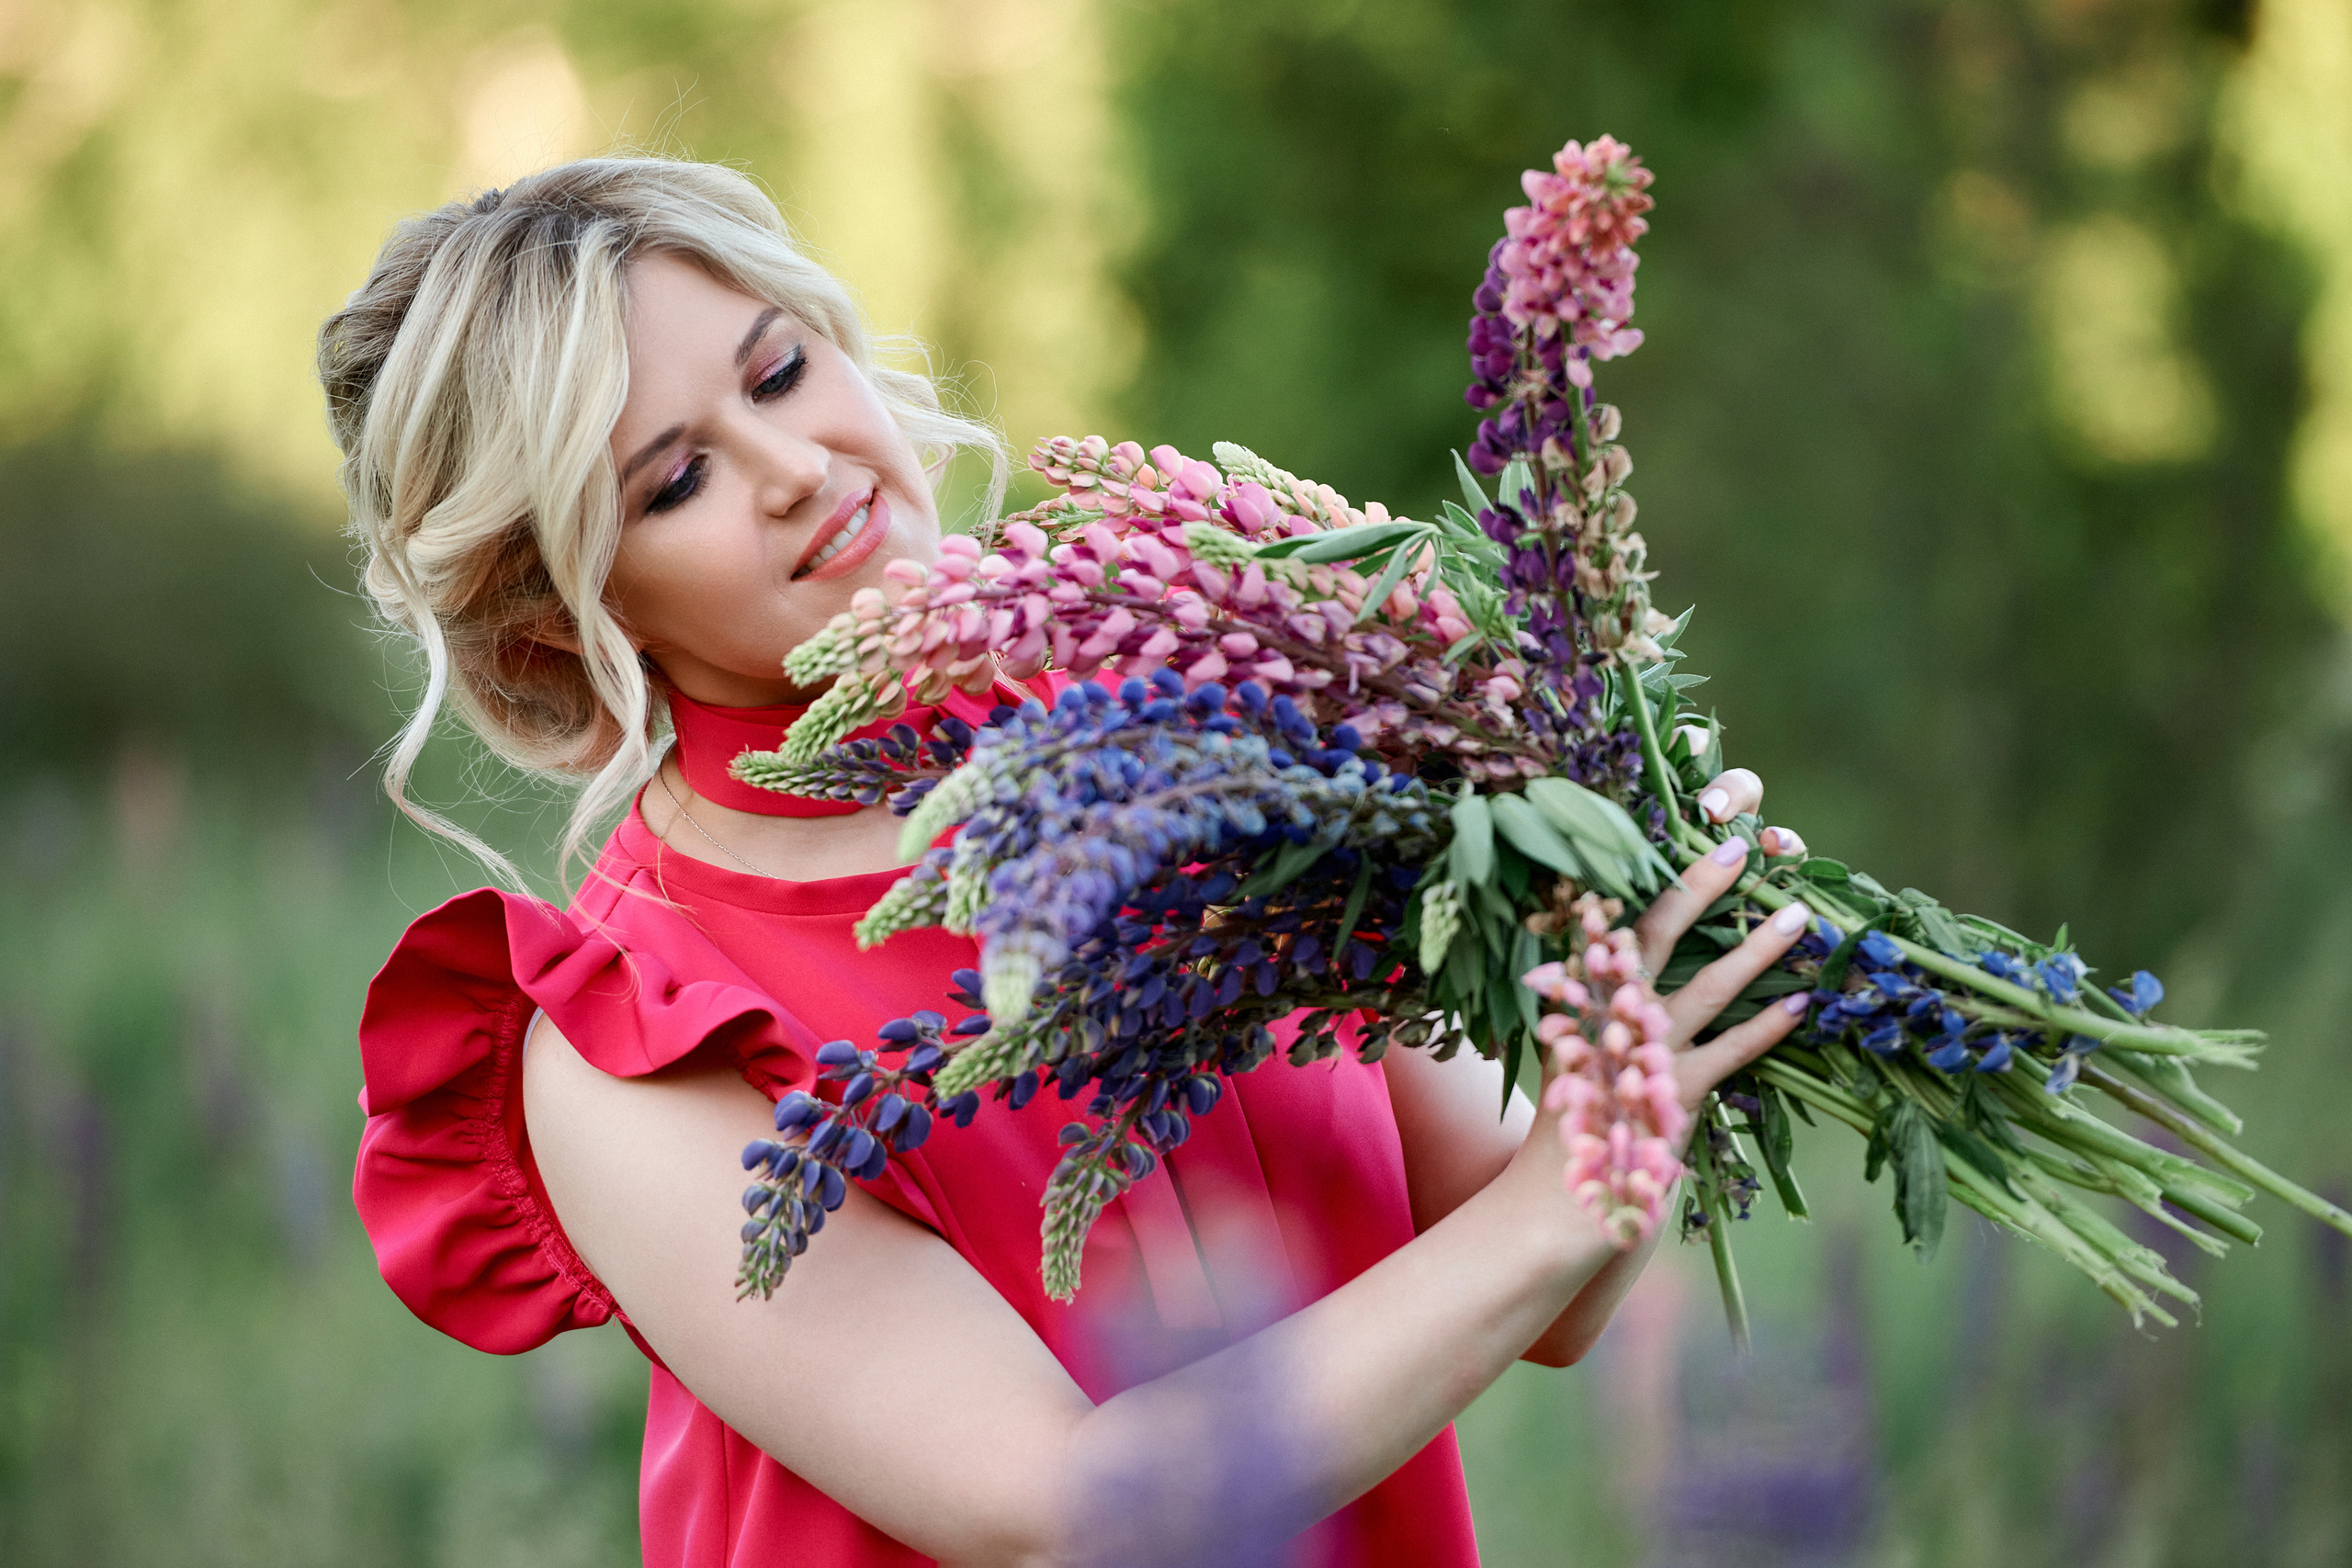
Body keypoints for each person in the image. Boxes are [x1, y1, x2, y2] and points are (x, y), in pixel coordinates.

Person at [325, 156, 1816, 1568]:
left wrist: (1633, 1005)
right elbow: (1068, 1517)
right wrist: (1568, 1187)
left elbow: (1520, 1248)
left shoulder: (1201, 722)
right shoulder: (623, 1040)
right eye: (673, 484)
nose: (792, 467)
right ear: (561, 617)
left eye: (780, 370)